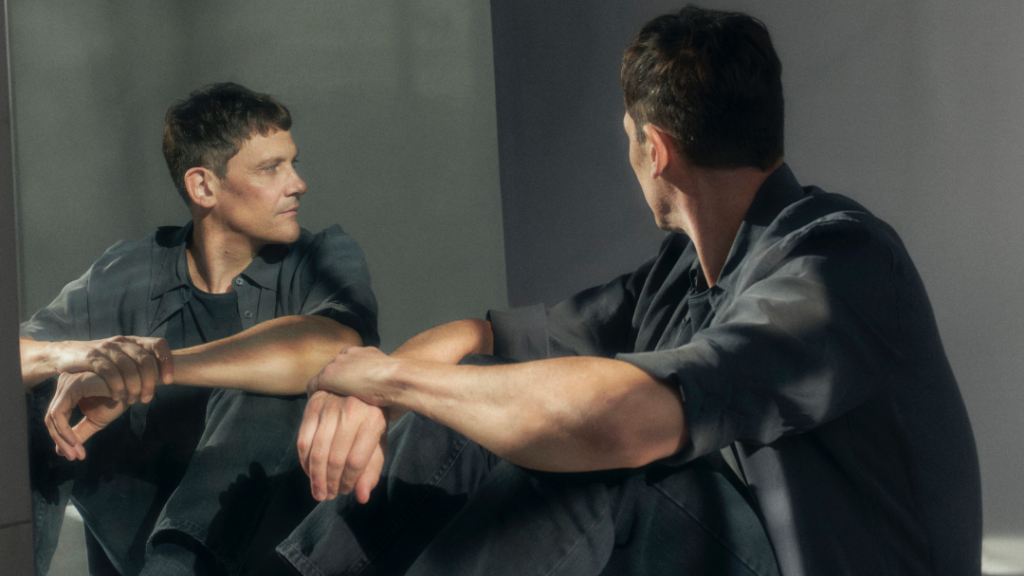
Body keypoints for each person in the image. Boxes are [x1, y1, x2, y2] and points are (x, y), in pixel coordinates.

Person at [277, 6, 982, 576]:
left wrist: (393, 380)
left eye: (629, 139)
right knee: (469, 399)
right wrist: (372, 389)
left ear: (656, 148)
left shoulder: (840, 265)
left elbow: (623, 421)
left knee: (603, 461)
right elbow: (490, 339)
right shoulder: (683, 273)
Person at [21, 82, 381, 576]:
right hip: (136, 546)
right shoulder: (131, 270)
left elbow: (334, 347)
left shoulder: (323, 258)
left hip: (277, 552)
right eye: (271, 168)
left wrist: (154, 367)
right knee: (37, 395)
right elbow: (18, 353)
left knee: (267, 389)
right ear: (203, 187)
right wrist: (76, 358)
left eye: (292, 163)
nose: (297, 183)